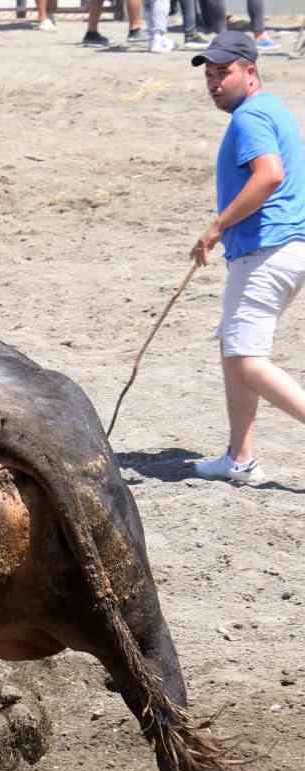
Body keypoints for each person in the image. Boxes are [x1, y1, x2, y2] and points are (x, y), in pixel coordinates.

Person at [189, 31, 305, 485]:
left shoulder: (250, 117)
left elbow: (269, 176)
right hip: (282, 248)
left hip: (267, 251)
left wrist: (217, 226)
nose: (215, 83)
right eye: (210, 75)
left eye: (225, 73)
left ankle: (242, 458)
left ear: (250, 71)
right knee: (233, 349)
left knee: (244, 359)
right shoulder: (272, 108)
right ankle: (240, 457)